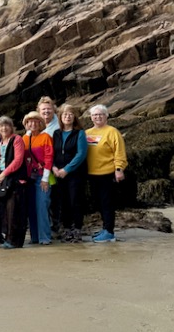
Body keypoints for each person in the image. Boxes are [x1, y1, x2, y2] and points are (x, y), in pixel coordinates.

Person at [85, 104, 127, 243]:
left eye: (100, 114)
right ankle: (105, 228)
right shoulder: (87, 133)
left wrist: (119, 169)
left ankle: (109, 232)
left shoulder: (112, 132)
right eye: (94, 115)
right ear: (91, 117)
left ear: (106, 116)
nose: (97, 117)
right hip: (92, 174)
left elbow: (119, 152)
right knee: (98, 203)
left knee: (107, 203)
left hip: (107, 173)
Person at [51, 103, 88, 243]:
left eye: (70, 114)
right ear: (60, 117)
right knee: (64, 202)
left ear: (74, 117)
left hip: (75, 174)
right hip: (59, 173)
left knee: (75, 201)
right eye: (65, 114)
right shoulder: (56, 133)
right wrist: (54, 167)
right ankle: (67, 229)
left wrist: (67, 169)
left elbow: (81, 154)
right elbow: (52, 153)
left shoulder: (79, 133)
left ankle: (77, 229)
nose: (68, 117)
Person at [0, 116, 28, 248]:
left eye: (6, 125)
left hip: (15, 180)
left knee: (14, 210)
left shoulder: (17, 139)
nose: (4, 128)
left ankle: (14, 241)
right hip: (3, 180)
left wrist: (2, 175)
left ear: (11, 127)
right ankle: (8, 238)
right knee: (4, 211)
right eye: (1, 126)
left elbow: (18, 160)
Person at [22, 111, 54, 245]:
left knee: (42, 205)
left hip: (42, 176)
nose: (33, 124)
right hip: (29, 177)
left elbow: (49, 157)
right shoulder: (24, 139)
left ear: (40, 123)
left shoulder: (46, 137)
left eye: (36, 121)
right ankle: (34, 237)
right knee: (31, 207)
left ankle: (44, 237)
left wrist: (45, 179)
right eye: (30, 121)